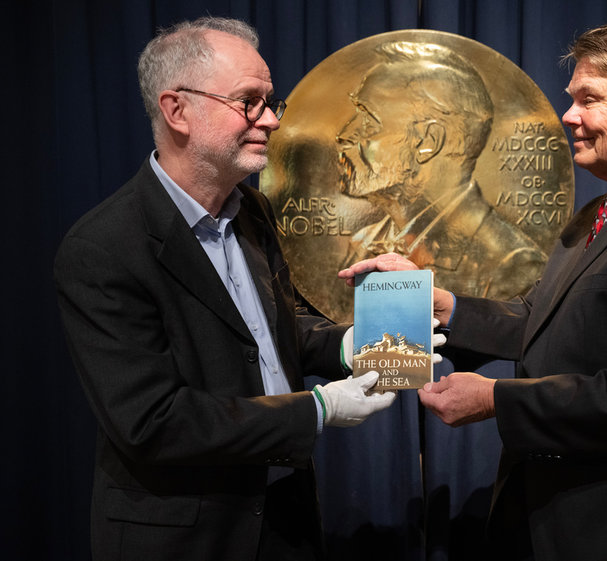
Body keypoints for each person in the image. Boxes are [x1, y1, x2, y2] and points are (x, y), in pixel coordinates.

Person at [340, 19, 607, 561]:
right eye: (573, 99)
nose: (569, 116)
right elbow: (547, 320)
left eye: (589, 99)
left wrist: (497, 399)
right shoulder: (604, 208)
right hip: (552, 523)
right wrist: (444, 305)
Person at [54, 17, 394, 561]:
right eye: (249, 102)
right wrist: (318, 410)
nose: (273, 121)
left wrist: (354, 344)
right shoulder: (103, 247)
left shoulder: (253, 211)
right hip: (185, 537)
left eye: (270, 100)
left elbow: (273, 337)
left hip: (286, 518)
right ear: (177, 110)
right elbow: (152, 422)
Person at [336, 41, 548, 300]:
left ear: (428, 142)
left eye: (368, 120)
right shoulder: (363, 241)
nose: (343, 135)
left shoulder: (513, 265)